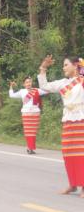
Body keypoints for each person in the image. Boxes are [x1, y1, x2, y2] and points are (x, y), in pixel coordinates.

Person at [38, 55, 84, 197]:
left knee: (81, 154)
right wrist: (43, 68)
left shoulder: (82, 81)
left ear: (75, 65)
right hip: (68, 120)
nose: (63, 67)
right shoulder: (63, 83)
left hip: (81, 119)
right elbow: (44, 86)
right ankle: (73, 184)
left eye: (66, 65)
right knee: (68, 153)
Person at [9, 77, 47, 154]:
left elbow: (47, 90)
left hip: (35, 113)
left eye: (30, 82)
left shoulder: (37, 90)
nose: (28, 83)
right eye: (26, 82)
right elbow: (12, 95)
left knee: (33, 132)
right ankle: (30, 148)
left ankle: (31, 148)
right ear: (24, 84)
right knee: (28, 131)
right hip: (26, 113)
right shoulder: (22, 91)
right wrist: (11, 87)